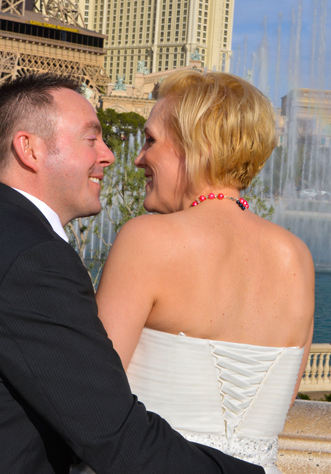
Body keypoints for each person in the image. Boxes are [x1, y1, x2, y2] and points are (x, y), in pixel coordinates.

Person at [0, 74, 262, 474]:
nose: (110, 155)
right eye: (91, 139)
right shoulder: (34, 258)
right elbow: (114, 435)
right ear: (29, 149)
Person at [94, 70, 315, 474]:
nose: (139, 157)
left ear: (197, 146)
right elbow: (284, 403)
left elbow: (91, 398)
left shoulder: (147, 240)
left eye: (150, 141)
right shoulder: (297, 257)